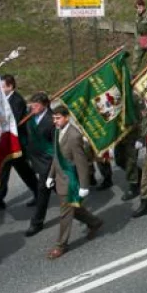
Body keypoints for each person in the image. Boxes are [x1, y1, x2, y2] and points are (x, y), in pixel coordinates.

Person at [46, 106, 103, 260]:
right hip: (60, 178)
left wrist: (84, 185)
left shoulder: (73, 136)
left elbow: (81, 162)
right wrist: (51, 175)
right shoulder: (58, 131)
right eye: (54, 118)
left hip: (71, 181)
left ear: (67, 117)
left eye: (58, 118)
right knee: (74, 208)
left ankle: (60, 245)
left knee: (65, 213)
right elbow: (57, 156)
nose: (55, 121)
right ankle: (95, 222)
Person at [0, 74, 38, 212]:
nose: (0, 89)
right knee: (2, 173)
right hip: (6, 145)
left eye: (2, 86)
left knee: (25, 171)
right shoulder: (3, 99)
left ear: (10, 86)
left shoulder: (16, 100)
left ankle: (39, 192)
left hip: (16, 144)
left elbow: (14, 122)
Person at [24, 93, 56, 237]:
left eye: (36, 106)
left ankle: (37, 222)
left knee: (42, 190)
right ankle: (76, 204)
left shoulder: (52, 120)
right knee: (61, 191)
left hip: (48, 162)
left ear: (45, 105)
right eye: (31, 105)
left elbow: (56, 145)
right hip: (36, 159)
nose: (33, 108)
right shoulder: (30, 117)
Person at [133, 0, 147, 70]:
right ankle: (134, 76)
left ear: (144, 6)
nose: (138, 9)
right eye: (137, 8)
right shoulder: (137, 16)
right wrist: (138, 39)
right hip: (141, 39)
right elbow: (136, 29)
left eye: (140, 7)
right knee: (136, 59)